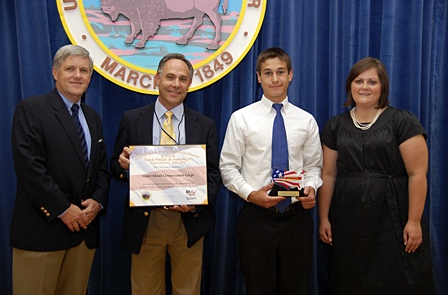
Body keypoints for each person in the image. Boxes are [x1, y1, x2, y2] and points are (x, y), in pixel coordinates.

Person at [318, 57, 436, 294]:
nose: (364, 86)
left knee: (397, 280)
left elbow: (417, 174)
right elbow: (328, 174)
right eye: (359, 80)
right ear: (350, 85)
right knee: (350, 278)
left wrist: (413, 221)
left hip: (393, 218)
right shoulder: (334, 126)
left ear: (383, 87)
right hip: (348, 221)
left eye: (372, 81)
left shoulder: (402, 121)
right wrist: (323, 218)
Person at [110, 53, 220, 295]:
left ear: (189, 84)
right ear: (157, 79)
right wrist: (122, 165)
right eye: (170, 77)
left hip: (189, 220)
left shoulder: (205, 124)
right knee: (145, 289)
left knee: (188, 290)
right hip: (146, 219)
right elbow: (115, 166)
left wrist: (194, 204)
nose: (176, 84)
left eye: (182, 79)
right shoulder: (132, 119)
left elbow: (213, 174)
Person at [219, 47, 323, 294]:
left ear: (291, 75)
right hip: (256, 219)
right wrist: (251, 194)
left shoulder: (306, 120)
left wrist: (310, 188)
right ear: (258, 77)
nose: (275, 79)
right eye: (268, 73)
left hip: (297, 218)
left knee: (296, 287)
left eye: (280, 72)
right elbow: (228, 166)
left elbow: (313, 166)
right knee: (258, 287)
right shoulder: (241, 118)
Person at [10, 44, 110, 295]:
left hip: (83, 236)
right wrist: (63, 209)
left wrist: (97, 202)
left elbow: (101, 169)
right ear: (55, 73)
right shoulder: (32, 109)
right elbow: (30, 168)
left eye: (84, 70)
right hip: (43, 232)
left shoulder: (92, 117)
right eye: (70, 69)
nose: (78, 75)